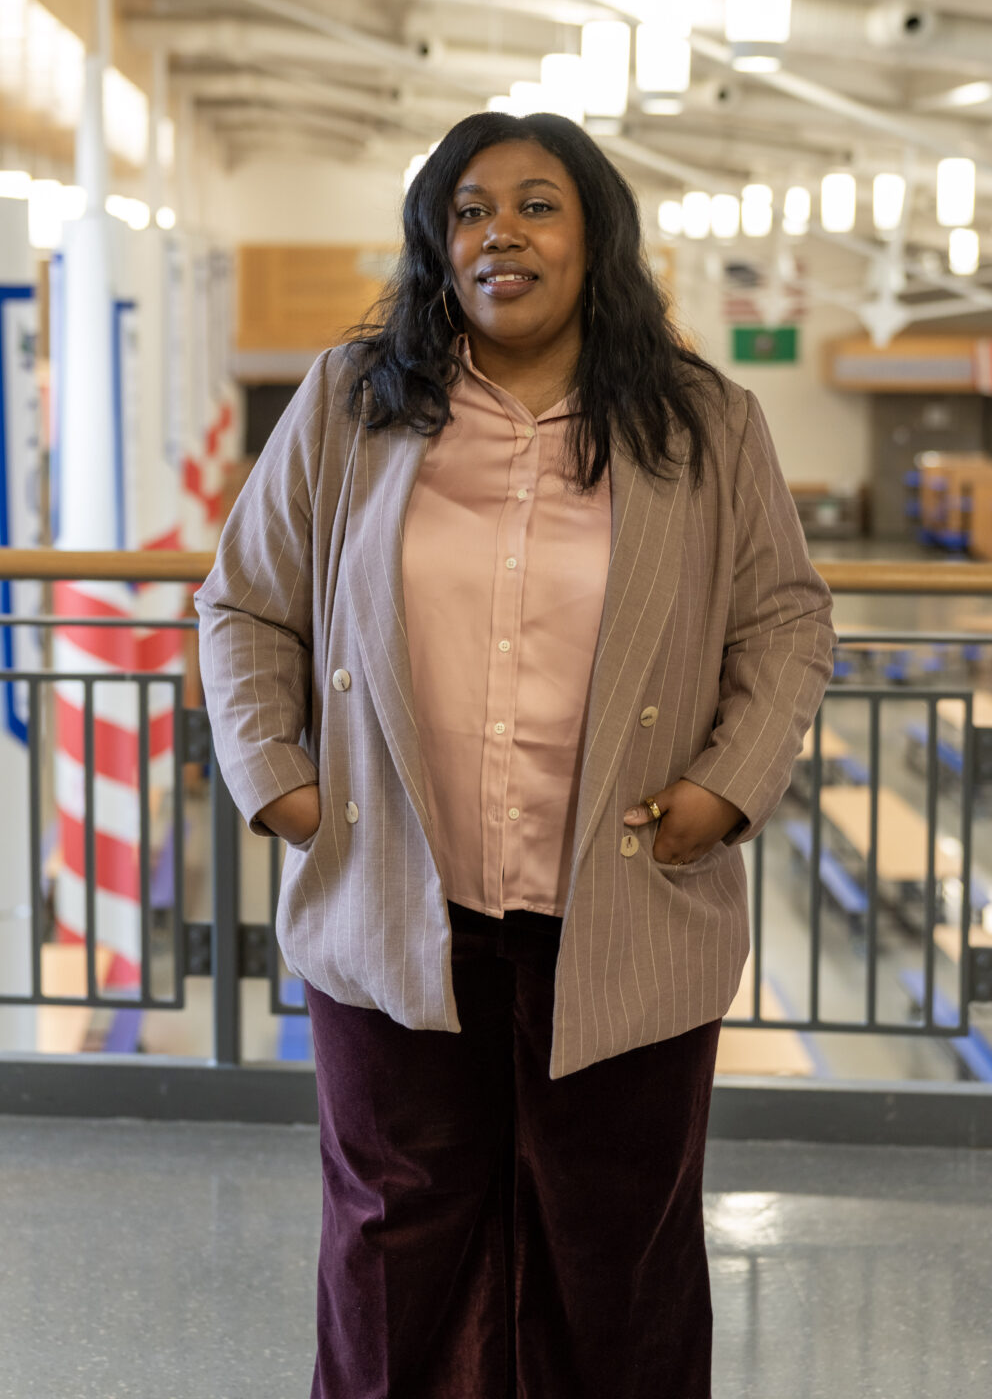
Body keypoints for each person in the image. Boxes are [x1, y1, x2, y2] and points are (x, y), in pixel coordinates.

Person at [194, 110, 836, 1399]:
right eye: (472, 208)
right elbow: (242, 602)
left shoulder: (707, 421)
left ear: (597, 237)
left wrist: (724, 790)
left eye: (539, 205)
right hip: (396, 901)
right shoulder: (349, 401)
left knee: (619, 1254)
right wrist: (284, 786)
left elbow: (784, 620)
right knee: (393, 1239)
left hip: (626, 900)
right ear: (441, 244)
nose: (503, 233)